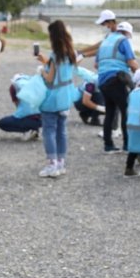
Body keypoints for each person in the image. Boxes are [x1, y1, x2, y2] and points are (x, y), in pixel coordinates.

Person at [78, 10, 140, 153]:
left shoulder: (106, 41)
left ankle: (108, 145)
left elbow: (97, 65)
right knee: (126, 111)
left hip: (103, 81)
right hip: (117, 79)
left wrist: (82, 53)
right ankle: (127, 145)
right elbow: (131, 62)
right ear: (128, 33)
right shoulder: (123, 41)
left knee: (110, 112)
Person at [36, 20, 79, 178]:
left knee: (49, 131)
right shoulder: (70, 53)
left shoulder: (55, 55)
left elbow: (50, 78)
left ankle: (51, 164)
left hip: (53, 98)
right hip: (66, 97)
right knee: (62, 131)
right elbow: (62, 72)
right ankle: (61, 163)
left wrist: (42, 70)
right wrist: (46, 62)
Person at [0, 73, 42, 140]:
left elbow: (18, 105)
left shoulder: (13, 86)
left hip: (30, 118)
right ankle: (35, 129)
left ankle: (27, 130)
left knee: (1, 123)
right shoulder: (34, 82)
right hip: (45, 119)